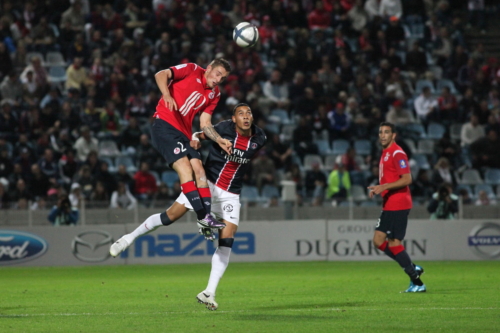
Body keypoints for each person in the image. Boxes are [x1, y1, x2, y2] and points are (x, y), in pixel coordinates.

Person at [109, 103, 267, 311]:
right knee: (169, 217)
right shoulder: (223, 128)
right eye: (241, 114)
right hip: (207, 185)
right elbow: (198, 135)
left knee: (227, 242)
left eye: (249, 113)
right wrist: (195, 140)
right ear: (234, 118)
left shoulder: (259, 138)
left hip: (231, 194)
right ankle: (128, 238)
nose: (246, 117)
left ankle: (209, 292)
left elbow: (242, 155)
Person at [150, 58, 233, 229]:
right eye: (217, 74)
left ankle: (206, 219)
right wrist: (166, 94)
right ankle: (203, 216)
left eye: (223, 78)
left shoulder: (214, 94)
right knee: (186, 169)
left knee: (200, 171)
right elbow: (161, 74)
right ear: (209, 68)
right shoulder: (192, 69)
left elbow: (205, 124)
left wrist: (218, 139)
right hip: (165, 125)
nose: (218, 80)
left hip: (184, 134)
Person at [368, 122, 426, 293]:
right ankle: (412, 267)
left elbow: (407, 179)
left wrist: (383, 187)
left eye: (387, 132)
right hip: (389, 203)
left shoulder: (398, 153)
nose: (383, 135)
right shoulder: (385, 152)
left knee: (394, 244)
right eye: (380, 132)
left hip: (398, 203)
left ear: (394, 135)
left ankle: (417, 282)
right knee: (378, 241)